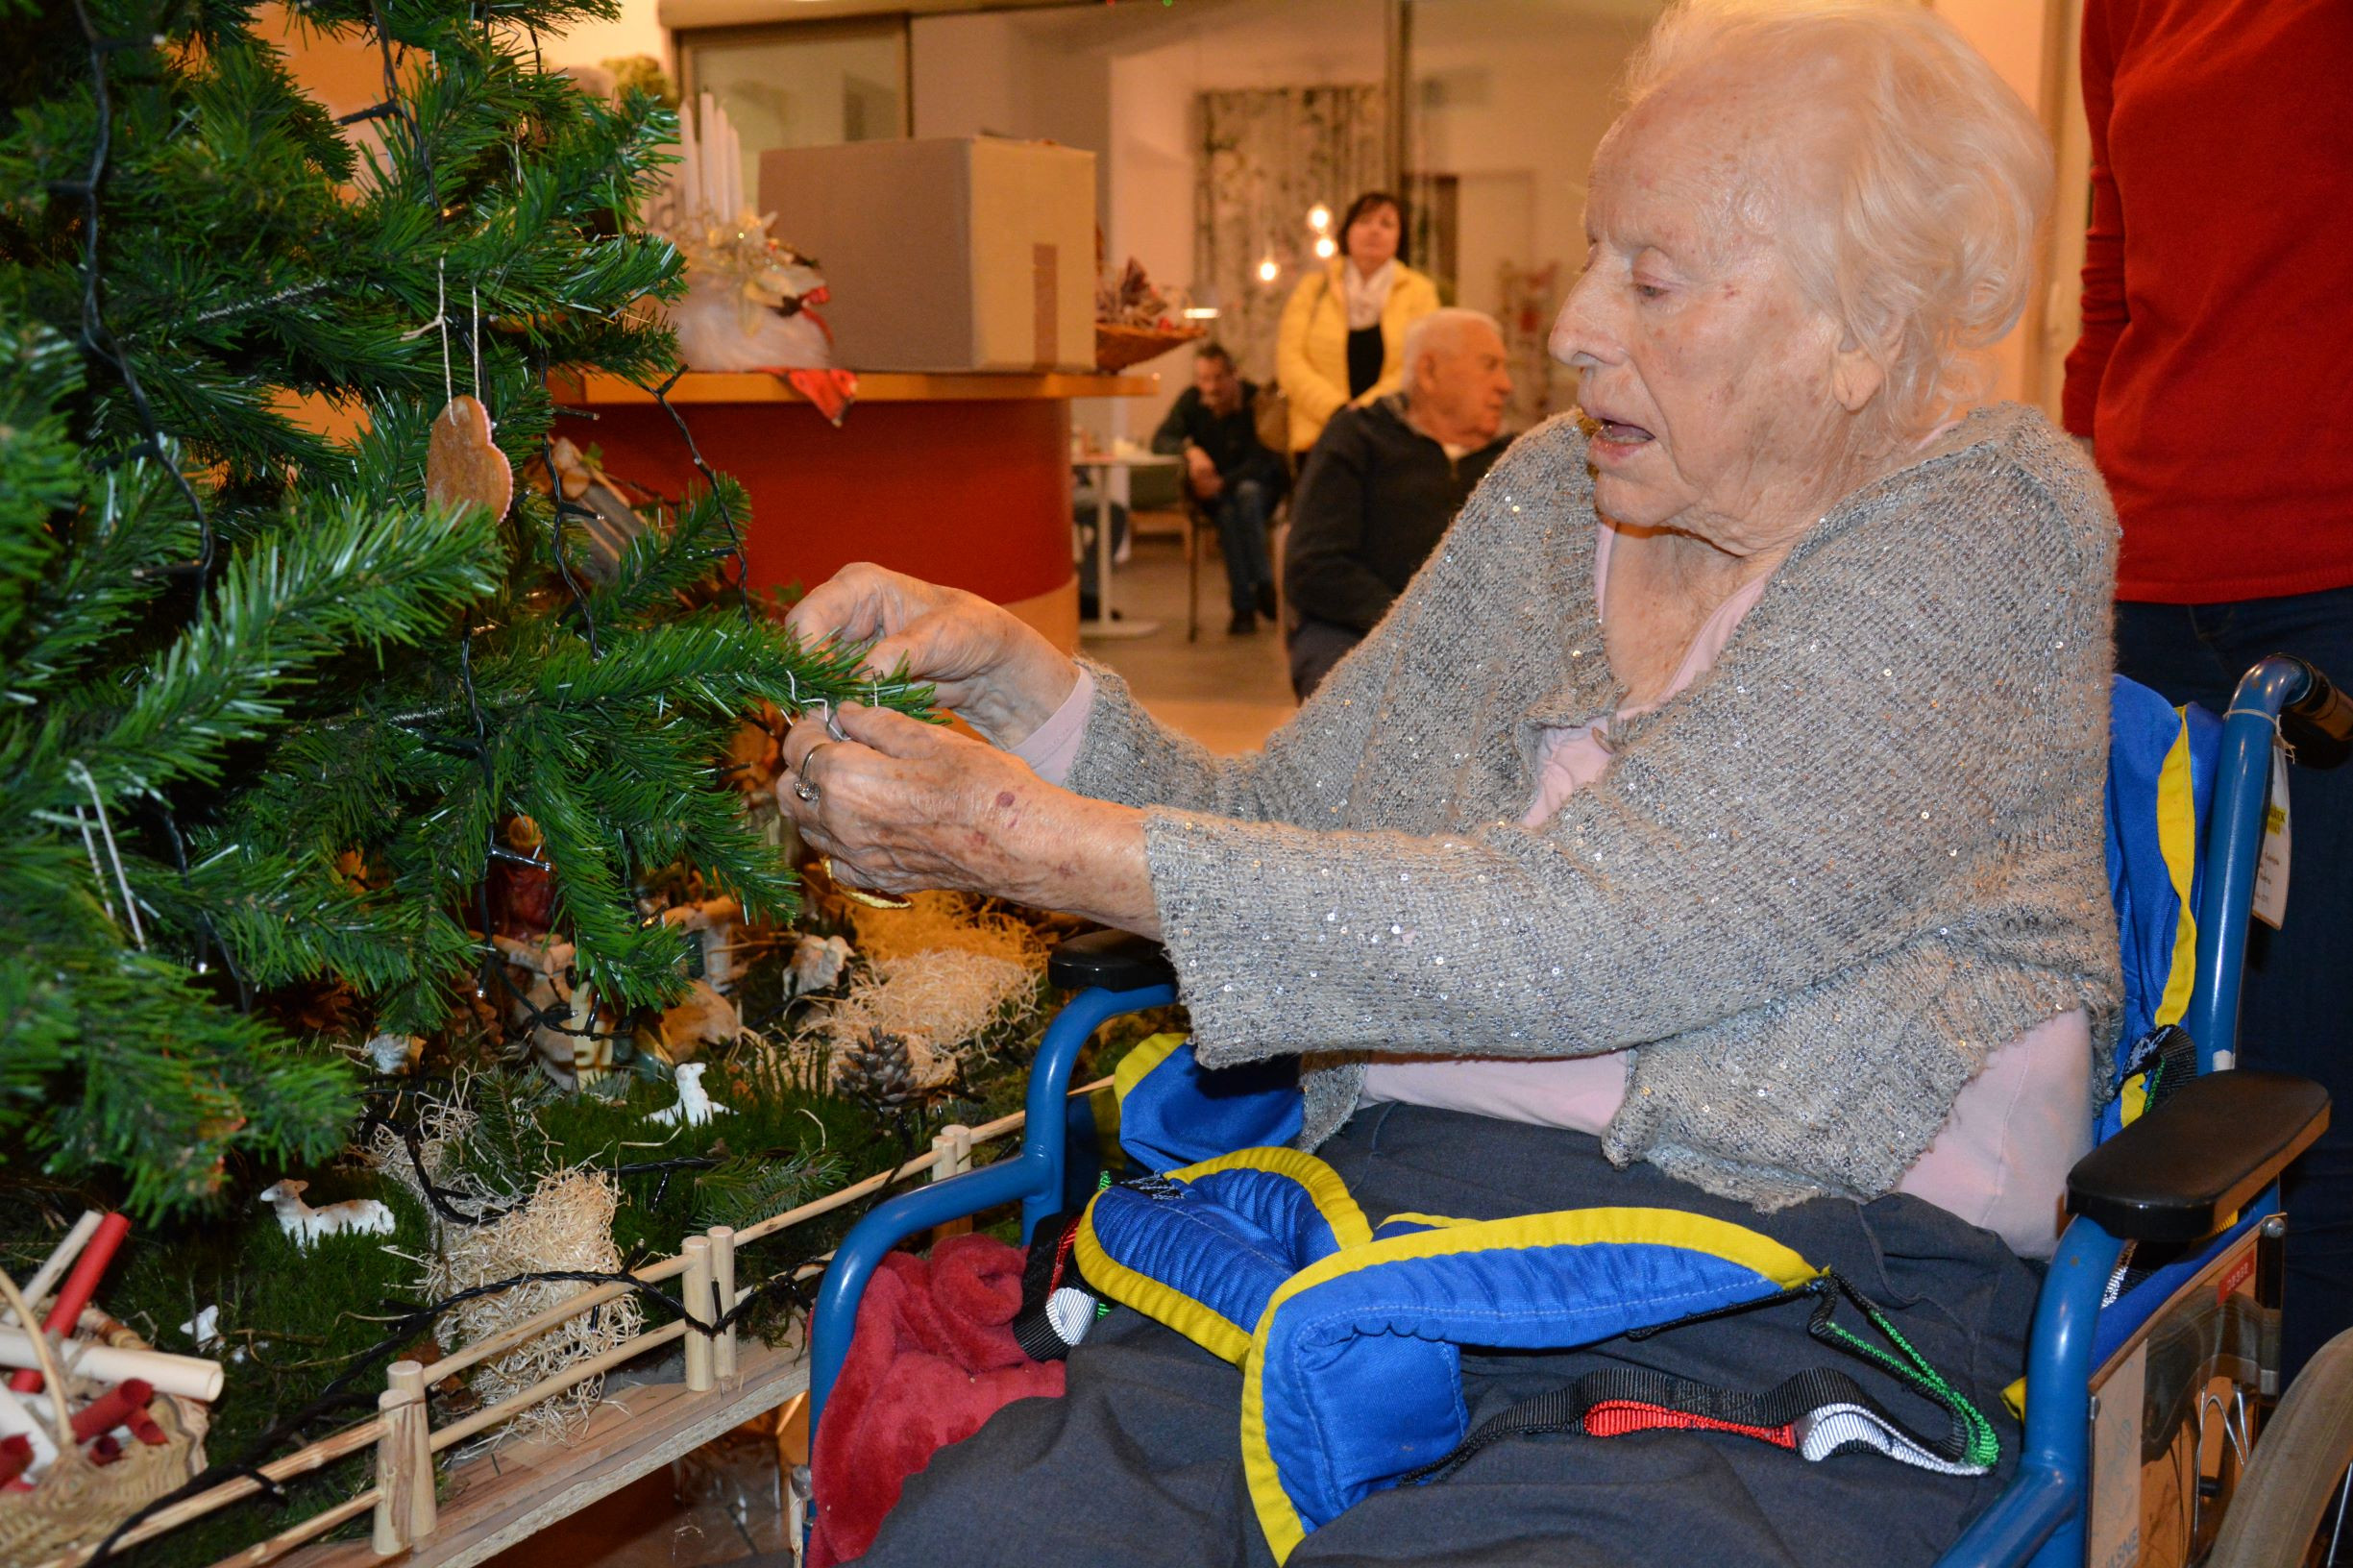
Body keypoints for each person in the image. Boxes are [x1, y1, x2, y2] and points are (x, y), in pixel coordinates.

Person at [778, 4, 2102, 1560]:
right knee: (989, 1534)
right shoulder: (1551, 494)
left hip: (1792, 1281)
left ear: (1855, 330)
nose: (1575, 326)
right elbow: (1280, 827)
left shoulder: (1988, 528)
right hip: (1395, 1225)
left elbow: (1598, 934)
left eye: (1650, 277)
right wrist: (1026, 692)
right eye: (1594, 253)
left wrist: (1017, 841)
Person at [2063, 0, 2353, 1388]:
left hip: (2332, 580)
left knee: (2311, 1097)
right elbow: (2112, 297)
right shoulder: (2125, 10)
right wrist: (2054, 545)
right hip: (2148, 586)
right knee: (2142, 1077)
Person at [1284, 306, 1513, 698]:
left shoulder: (1515, 457)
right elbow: (1314, 566)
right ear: (1428, 372)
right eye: (1489, 366)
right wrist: (1414, 625)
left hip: (1484, 645)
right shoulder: (1357, 438)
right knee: (1353, 705)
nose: (1505, 385)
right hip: (1356, 630)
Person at [1275, 191, 1441, 457]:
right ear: (1346, 231)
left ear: (1400, 238)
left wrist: (1366, 411)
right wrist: (1337, 411)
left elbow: (1419, 363)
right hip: (1319, 437)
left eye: (1386, 224)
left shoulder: (1420, 293)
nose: (1374, 230)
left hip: (1391, 436)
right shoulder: (1313, 288)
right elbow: (1290, 361)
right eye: (1364, 221)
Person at [1151, 344, 1290, 635]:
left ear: (1233, 375)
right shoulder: (1192, 400)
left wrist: (1223, 482)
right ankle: (1258, 595)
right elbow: (1161, 438)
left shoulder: (1257, 400)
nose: (1210, 387)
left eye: (1217, 378)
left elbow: (1265, 457)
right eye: (1203, 379)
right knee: (1227, 512)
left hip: (1255, 490)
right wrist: (1191, 451)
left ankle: (1249, 600)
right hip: (1214, 496)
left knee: (1246, 495)